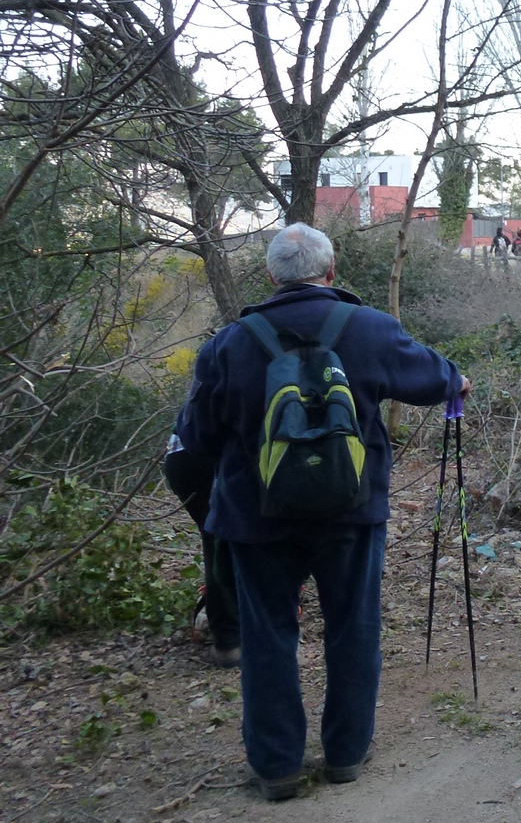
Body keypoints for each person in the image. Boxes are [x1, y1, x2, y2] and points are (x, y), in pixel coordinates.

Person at [174, 224, 467, 799]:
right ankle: (346, 754)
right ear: (331, 272)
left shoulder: (228, 344)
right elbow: (438, 379)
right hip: (350, 512)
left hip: (255, 517)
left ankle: (277, 766)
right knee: (354, 628)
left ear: (271, 276)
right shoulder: (371, 329)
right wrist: (458, 381)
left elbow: (197, 436)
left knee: (267, 636)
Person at [163, 432, 239, 667]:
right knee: (224, 542)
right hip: (209, 453)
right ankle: (230, 641)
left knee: (217, 538)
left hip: (179, 455)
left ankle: (229, 635)